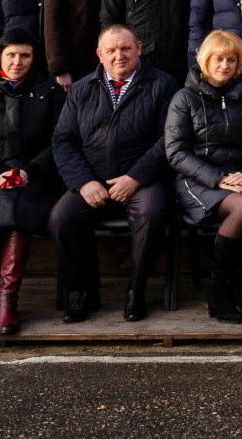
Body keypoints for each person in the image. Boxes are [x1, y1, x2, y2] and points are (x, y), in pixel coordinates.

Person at [50, 25, 180, 323]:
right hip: (91, 179)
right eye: (111, 51)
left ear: (138, 48)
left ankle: (136, 292)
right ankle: (85, 291)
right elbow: (62, 141)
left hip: (142, 180)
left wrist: (135, 178)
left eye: (125, 48)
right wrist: (83, 182)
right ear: (100, 55)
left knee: (152, 212)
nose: (118, 56)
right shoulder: (82, 89)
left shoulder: (163, 84)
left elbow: (168, 140)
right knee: (61, 218)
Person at [165, 30, 242, 324]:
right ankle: (217, 290)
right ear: (205, 60)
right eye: (218, 58)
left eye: (231, 59)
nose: (224, 65)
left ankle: (241, 287)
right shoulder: (184, 98)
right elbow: (176, 153)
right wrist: (218, 179)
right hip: (199, 178)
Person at [0, 30, 63, 336]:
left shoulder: (50, 93)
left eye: (25, 55)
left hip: (36, 180)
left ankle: (7, 301)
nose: (18, 62)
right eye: (11, 55)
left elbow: (58, 142)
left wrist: (30, 170)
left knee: (18, 212)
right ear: (0, 56)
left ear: (34, 58)